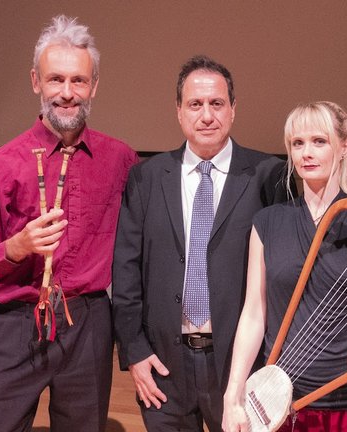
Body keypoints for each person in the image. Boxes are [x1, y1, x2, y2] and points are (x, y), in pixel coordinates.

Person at [0, 15, 138, 432]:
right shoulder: (0, 165)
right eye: (56, 79)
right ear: (36, 81)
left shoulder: (121, 160)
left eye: (78, 80)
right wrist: (16, 247)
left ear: (94, 86)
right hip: (16, 322)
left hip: (88, 321)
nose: (67, 93)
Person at [111, 55, 291, 432]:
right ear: (179, 111)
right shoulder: (146, 178)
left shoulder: (268, 175)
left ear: (233, 109)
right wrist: (135, 351)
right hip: (163, 366)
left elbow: (283, 273)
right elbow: (126, 271)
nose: (206, 115)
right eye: (195, 104)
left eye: (217, 104)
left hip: (240, 365)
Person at [222, 101, 347, 432]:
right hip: (280, 403)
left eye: (319, 141)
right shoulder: (267, 222)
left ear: (344, 147)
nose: (307, 153)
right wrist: (233, 394)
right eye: (297, 143)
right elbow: (254, 313)